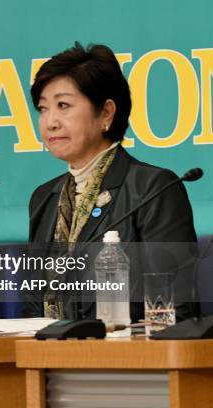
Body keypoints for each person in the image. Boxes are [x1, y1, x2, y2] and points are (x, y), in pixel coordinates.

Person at [25, 42, 198, 321]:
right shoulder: (45, 197)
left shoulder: (153, 189)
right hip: (50, 359)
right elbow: (32, 304)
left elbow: (172, 309)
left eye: (63, 105)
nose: (50, 122)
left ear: (106, 113)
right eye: (43, 109)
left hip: (129, 359)